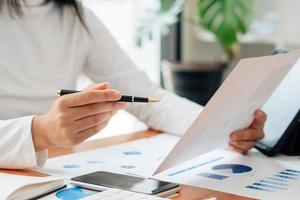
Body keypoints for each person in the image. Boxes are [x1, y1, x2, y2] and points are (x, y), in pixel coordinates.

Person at [0, 0, 266, 169]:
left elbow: (146, 97)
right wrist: (40, 132)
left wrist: (220, 126)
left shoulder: (77, 15)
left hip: (55, 169)